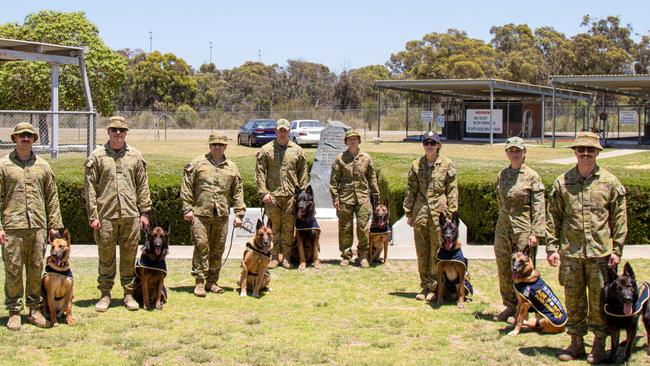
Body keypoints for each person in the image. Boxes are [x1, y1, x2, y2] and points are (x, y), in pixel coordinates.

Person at [546, 132, 627, 363]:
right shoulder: (562, 182)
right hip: (571, 253)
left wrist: (617, 249)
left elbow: (620, 218)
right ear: (575, 152)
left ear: (597, 152)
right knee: (573, 299)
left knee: (599, 301)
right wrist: (551, 248)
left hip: (600, 253)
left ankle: (599, 345)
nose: (585, 153)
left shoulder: (610, 183)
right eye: (580, 149)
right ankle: (576, 343)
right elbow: (553, 217)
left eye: (590, 150)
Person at [84, 116, 152, 312]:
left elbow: (143, 185)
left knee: (129, 256)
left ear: (126, 132)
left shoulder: (136, 156)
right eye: (114, 130)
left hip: (130, 214)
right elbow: (90, 189)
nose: (118, 133)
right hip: (105, 215)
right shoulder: (96, 157)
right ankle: (105, 294)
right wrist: (93, 216)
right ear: (108, 132)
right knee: (106, 256)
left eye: (122, 130)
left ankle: (129, 294)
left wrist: (144, 211)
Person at [0, 123, 63, 330]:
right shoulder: (4, 165)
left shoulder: (43, 166)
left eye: (29, 135)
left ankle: (34, 310)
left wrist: (54, 226)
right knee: (13, 270)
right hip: (12, 228)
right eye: (21, 135)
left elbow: (52, 197)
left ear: (34, 139)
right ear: (15, 138)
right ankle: (14, 312)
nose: (25, 138)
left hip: (37, 227)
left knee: (36, 269)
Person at [181, 132, 245, 297]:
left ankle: (212, 281)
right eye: (214, 144)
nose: (217, 147)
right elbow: (186, 186)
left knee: (218, 249)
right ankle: (200, 282)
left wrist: (239, 213)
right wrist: (187, 208)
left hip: (221, 215)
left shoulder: (232, 167)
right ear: (209, 145)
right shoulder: (197, 163)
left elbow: (238, 192)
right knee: (202, 246)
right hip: (200, 214)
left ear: (225, 146)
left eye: (221, 144)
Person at [493, 137, 545, 321]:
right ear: (507, 153)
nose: (514, 154)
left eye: (518, 151)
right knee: (504, 267)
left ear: (524, 153)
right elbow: (501, 201)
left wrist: (536, 232)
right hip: (503, 228)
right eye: (511, 151)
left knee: (525, 271)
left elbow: (538, 205)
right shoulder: (503, 175)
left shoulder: (532, 176)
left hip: (523, 228)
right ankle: (510, 305)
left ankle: (527, 308)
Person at [403, 131, 458, 302]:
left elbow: (452, 189)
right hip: (420, 212)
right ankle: (425, 284)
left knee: (436, 251)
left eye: (432, 143)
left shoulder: (447, 164)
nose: (429, 146)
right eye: (426, 143)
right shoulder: (416, 164)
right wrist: (408, 211)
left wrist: (452, 213)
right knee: (422, 251)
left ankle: (435, 286)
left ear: (438, 145)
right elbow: (411, 189)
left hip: (439, 214)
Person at [255, 119, 308, 269]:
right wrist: (263, 193)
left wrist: (301, 195)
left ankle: (286, 257)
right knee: (273, 228)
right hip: (272, 196)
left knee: (288, 228)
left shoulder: (297, 150)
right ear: (276, 131)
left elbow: (303, 173)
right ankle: (273, 257)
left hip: (291, 196)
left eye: (285, 130)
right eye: (280, 130)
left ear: (289, 131)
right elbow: (259, 173)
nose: (283, 132)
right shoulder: (266, 150)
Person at [329, 129, 380, 267]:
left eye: (355, 139)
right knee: (345, 228)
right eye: (349, 139)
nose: (352, 141)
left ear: (358, 141)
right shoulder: (340, 159)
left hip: (362, 198)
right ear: (346, 142)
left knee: (363, 228)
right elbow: (334, 181)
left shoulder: (366, 158)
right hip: (345, 198)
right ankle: (346, 255)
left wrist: (376, 196)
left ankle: (362, 255)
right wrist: (335, 198)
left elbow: (372, 178)